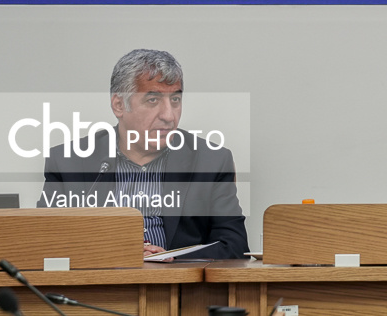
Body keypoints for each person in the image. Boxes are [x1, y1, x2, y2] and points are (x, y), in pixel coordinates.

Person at [39, 49, 248, 259]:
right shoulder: (68, 162)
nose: (169, 116)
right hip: (103, 278)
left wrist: (172, 258)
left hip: (178, 279)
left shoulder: (211, 161)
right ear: (119, 105)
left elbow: (234, 246)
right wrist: (116, 253)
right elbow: (43, 243)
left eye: (175, 100)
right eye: (153, 100)